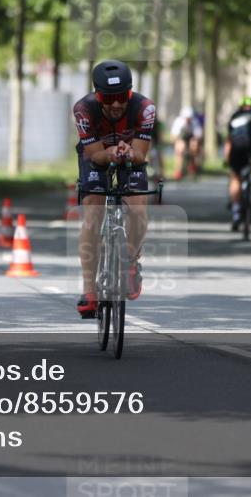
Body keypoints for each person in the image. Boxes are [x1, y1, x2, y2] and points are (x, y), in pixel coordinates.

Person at [73, 60, 156, 318]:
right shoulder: (83, 110)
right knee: (93, 214)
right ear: (97, 96)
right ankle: (90, 292)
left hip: (131, 158)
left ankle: (130, 263)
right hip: (97, 156)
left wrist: (129, 152)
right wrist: (110, 153)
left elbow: (141, 154)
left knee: (139, 210)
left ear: (130, 94)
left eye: (122, 97)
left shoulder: (145, 108)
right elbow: (96, 156)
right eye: (108, 99)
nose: (116, 104)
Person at [224, 97, 251, 231]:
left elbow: (229, 141)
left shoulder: (235, 116)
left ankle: (236, 213)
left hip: (237, 150)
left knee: (235, 177)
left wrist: (227, 161)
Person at [170, 107, 203, 181]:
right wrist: (178, 142)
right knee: (180, 148)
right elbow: (173, 136)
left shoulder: (194, 122)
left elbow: (198, 135)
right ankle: (178, 170)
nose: (188, 120)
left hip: (191, 139)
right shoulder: (178, 122)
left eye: (189, 118)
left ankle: (193, 166)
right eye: (187, 118)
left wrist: (194, 142)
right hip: (181, 139)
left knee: (194, 144)